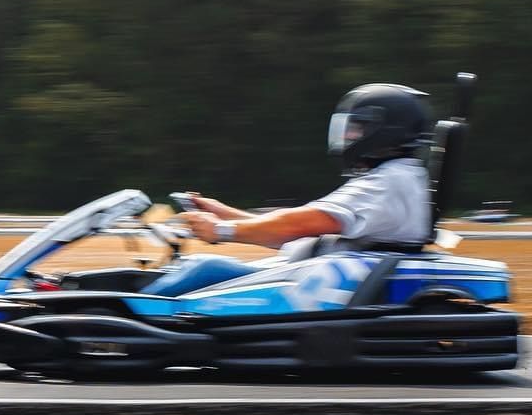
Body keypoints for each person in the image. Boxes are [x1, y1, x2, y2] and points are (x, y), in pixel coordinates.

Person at [164, 83, 435, 294]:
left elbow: (296, 225)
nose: (349, 136)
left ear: (385, 130)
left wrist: (219, 230)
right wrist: (224, 213)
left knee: (203, 267)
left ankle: (128, 318)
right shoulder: (398, 177)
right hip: (310, 276)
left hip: (310, 285)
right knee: (195, 267)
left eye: (357, 128)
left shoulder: (388, 182)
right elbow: (288, 233)